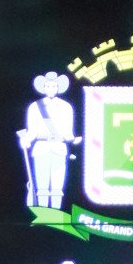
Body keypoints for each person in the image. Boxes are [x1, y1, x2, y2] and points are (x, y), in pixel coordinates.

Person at [18, 72, 78, 211]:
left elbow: (68, 131)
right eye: (48, 86)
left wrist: (73, 139)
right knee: (42, 186)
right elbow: (32, 130)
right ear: (44, 88)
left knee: (57, 186)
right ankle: (43, 213)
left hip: (59, 148)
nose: (51, 89)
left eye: (54, 86)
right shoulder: (34, 107)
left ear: (58, 88)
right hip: (41, 148)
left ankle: (56, 214)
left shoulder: (66, 107)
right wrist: (26, 140)